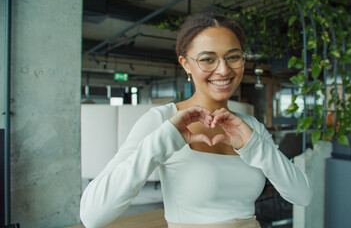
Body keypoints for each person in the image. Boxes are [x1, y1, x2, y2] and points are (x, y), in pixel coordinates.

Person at [80, 13, 312, 228]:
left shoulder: (251, 127)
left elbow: (302, 195)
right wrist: (164, 139)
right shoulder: (161, 120)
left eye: (233, 57)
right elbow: (92, 215)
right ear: (186, 64)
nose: (223, 70)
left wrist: (254, 145)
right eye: (207, 59)